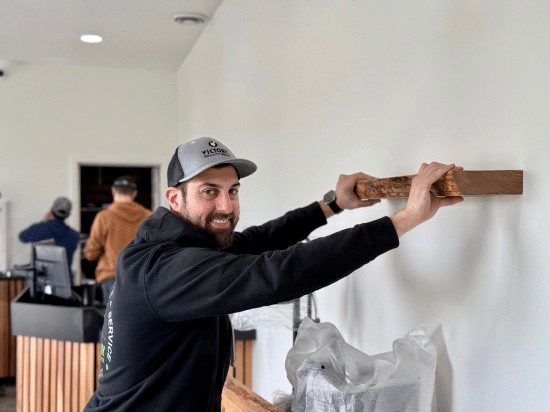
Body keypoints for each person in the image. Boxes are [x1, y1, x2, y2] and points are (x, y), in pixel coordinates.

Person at [84, 137, 463, 412]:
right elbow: (278, 271)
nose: (226, 205)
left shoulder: (185, 243)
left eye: (233, 191)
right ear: (174, 199)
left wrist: (331, 204)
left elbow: (258, 241)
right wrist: (406, 218)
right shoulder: (166, 269)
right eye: (209, 191)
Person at [83, 175, 152, 305]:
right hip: (142, 278)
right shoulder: (149, 216)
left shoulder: (104, 217)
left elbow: (91, 254)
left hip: (112, 277)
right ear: (135, 193)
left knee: (112, 323)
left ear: (114, 191)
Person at [19, 197, 79, 279]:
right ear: (68, 215)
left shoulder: (39, 228)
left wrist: (43, 222)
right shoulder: (75, 235)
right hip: (64, 282)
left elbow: (22, 237)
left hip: (40, 284)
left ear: (51, 210)